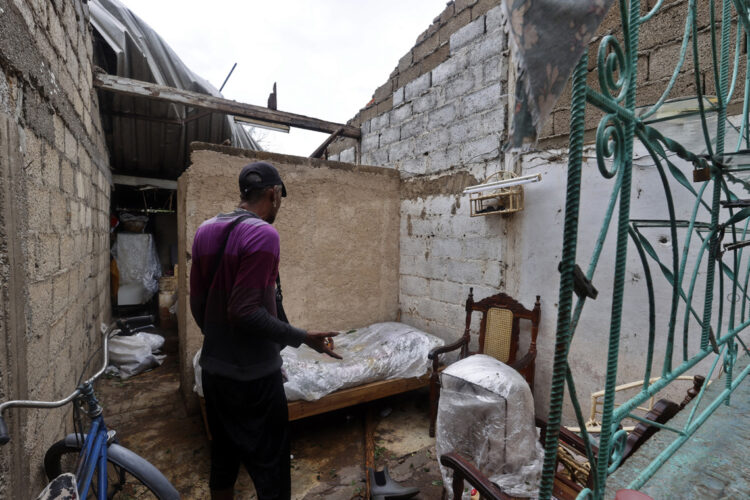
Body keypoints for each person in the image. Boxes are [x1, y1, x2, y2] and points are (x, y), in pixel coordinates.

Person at [190, 161, 342, 500]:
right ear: (273, 194)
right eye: (280, 199)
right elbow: (244, 310)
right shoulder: (262, 234)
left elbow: (198, 305)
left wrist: (220, 340)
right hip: (254, 379)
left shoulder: (205, 230)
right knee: (271, 469)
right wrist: (304, 338)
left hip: (215, 371)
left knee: (224, 459)